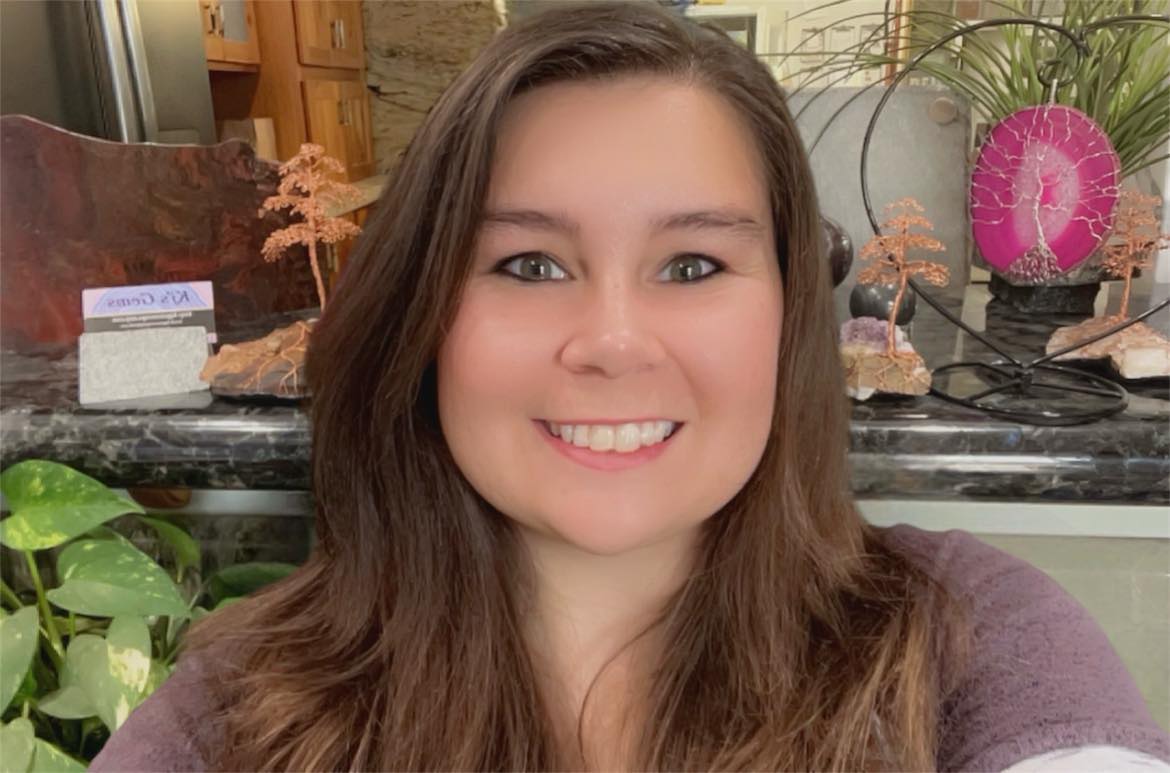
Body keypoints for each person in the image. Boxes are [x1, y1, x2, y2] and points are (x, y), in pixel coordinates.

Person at [90, 2, 1170, 771]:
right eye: (529, 264)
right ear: (422, 315)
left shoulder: (974, 639)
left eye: (692, 265)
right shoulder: (243, 707)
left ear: (789, 310)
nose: (612, 342)